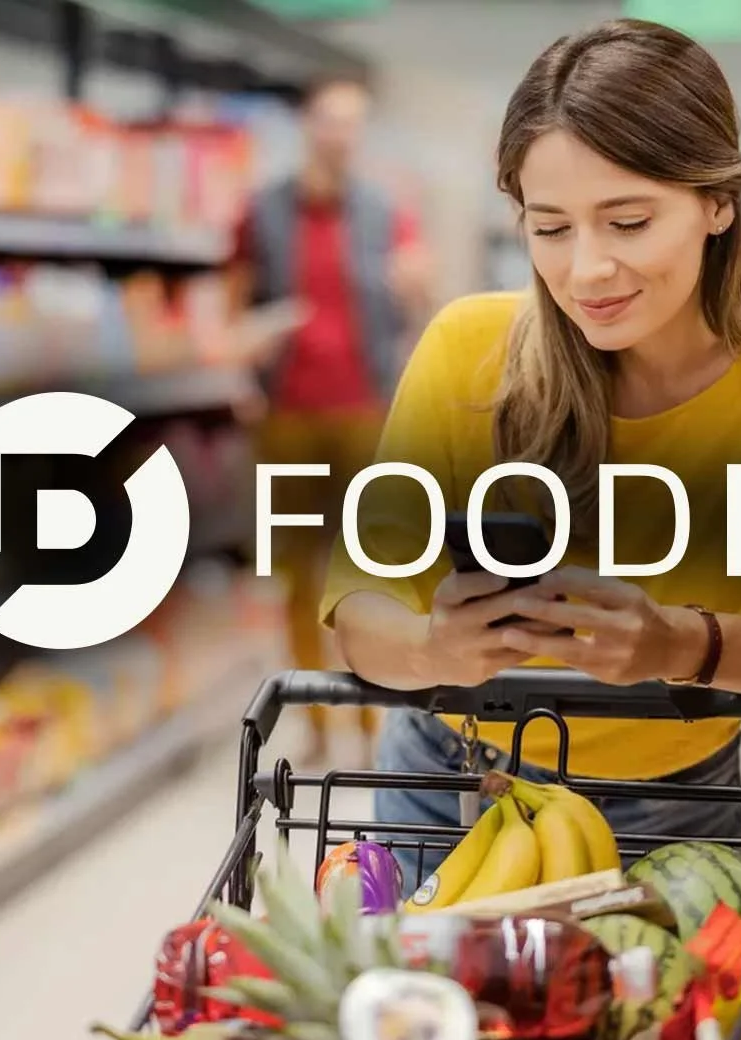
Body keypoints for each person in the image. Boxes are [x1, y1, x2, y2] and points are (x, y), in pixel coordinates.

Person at [316, 18, 741, 892]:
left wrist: (672, 644)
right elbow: (355, 608)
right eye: (551, 229)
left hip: (672, 803)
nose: (587, 271)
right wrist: (435, 652)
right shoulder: (468, 348)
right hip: (442, 783)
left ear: (717, 200)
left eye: (627, 221)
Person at [235, 74, 433, 767]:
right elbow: (234, 303)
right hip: (287, 412)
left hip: (365, 413)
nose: (340, 135)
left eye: (353, 122)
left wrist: (416, 291)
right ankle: (313, 719)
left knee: (370, 572)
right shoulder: (262, 211)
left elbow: (417, 297)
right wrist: (243, 354)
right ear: (307, 126)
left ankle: (373, 724)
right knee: (295, 573)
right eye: (329, 121)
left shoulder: (385, 211)